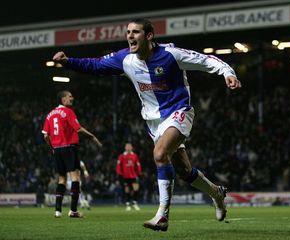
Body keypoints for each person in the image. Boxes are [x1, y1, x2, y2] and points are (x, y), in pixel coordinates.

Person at [52, 18, 241, 230]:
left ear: (149, 36)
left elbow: (205, 60)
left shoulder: (171, 55)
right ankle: (216, 193)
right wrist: (68, 61)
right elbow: (95, 65)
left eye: (136, 32)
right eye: (128, 32)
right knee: (184, 171)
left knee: (160, 154)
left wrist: (228, 72)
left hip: (179, 111)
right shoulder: (125, 58)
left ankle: (162, 216)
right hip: (153, 121)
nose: (130, 36)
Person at [42, 90, 102, 218]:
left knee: (61, 179)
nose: (72, 98)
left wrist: (52, 147)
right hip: (69, 148)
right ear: (63, 99)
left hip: (57, 149)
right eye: (70, 96)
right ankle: (73, 211)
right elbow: (78, 129)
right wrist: (92, 137)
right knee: (75, 177)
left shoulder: (50, 115)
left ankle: (57, 211)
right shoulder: (68, 112)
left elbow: (46, 135)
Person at [116, 142, 142, 211]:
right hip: (125, 176)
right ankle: (127, 204)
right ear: (125, 148)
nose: (128, 148)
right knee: (127, 190)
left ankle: (134, 203)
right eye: (127, 146)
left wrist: (139, 173)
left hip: (133, 175)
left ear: (131, 148)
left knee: (136, 189)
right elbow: (119, 166)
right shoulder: (122, 156)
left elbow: (138, 165)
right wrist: (119, 174)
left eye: (129, 146)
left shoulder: (134, 156)